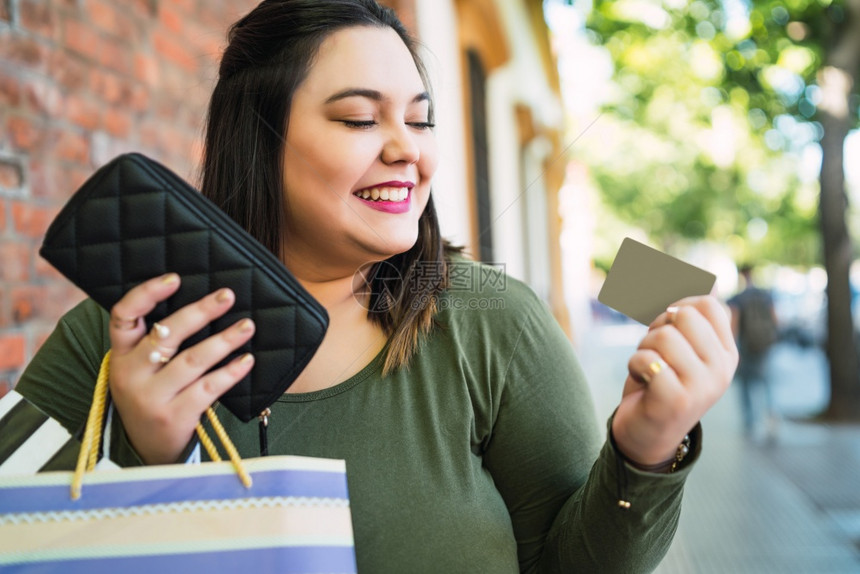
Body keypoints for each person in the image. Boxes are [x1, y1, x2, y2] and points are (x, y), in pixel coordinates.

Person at [14, 1, 738, 571]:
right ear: (260, 138)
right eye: (360, 117)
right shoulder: (118, 335)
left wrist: (647, 446)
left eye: (420, 119)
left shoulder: (493, 323)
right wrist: (152, 461)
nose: (407, 150)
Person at [728, 264, 779, 438]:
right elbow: (776, 320)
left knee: (745, 384)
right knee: (767, 382)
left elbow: (734, 324)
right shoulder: (766, 295)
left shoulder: (737, 298)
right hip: (764, 345)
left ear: (741, 275)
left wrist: (732, 346)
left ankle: (750, 422)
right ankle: (771, 417)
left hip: (746, 345)